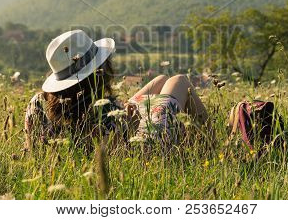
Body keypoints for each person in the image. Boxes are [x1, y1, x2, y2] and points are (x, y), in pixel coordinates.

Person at [24, 30, 208, 152]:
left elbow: (31, 148)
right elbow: (123, 146)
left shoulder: (38, 102)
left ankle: (200, 139)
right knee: (179, 81)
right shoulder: (105, 108)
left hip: (113, 126)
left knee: (160, 80)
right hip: (145, 148)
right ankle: (212, 145)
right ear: (100, 69)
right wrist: (130, 118)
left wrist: (121, 110)